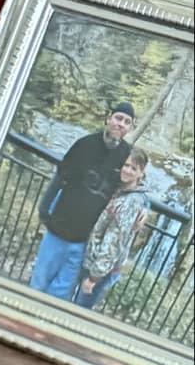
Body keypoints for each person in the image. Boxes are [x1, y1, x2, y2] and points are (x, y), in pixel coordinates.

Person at [28, 100, 134, 299]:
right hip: (57, 230)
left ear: (129, 128)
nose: (121, 124)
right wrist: (44, 209)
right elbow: (60, 177)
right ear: (108, 119)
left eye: (127, 122)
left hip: (84, 242)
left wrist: (142, 210)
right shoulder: (85, 144)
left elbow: (134, 185)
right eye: (118, 118)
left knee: (61, 293)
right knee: (38, 283)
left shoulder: (126, 155)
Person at [77, 148, 151, 310]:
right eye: (126, 165)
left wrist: (94, 278)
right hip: (96, 263)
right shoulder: (123, 189)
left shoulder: (130, 201)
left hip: (101, 270)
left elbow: (113, 242)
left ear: (141, 173)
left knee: (78, 311)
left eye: (133, 168)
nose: (127, 170)